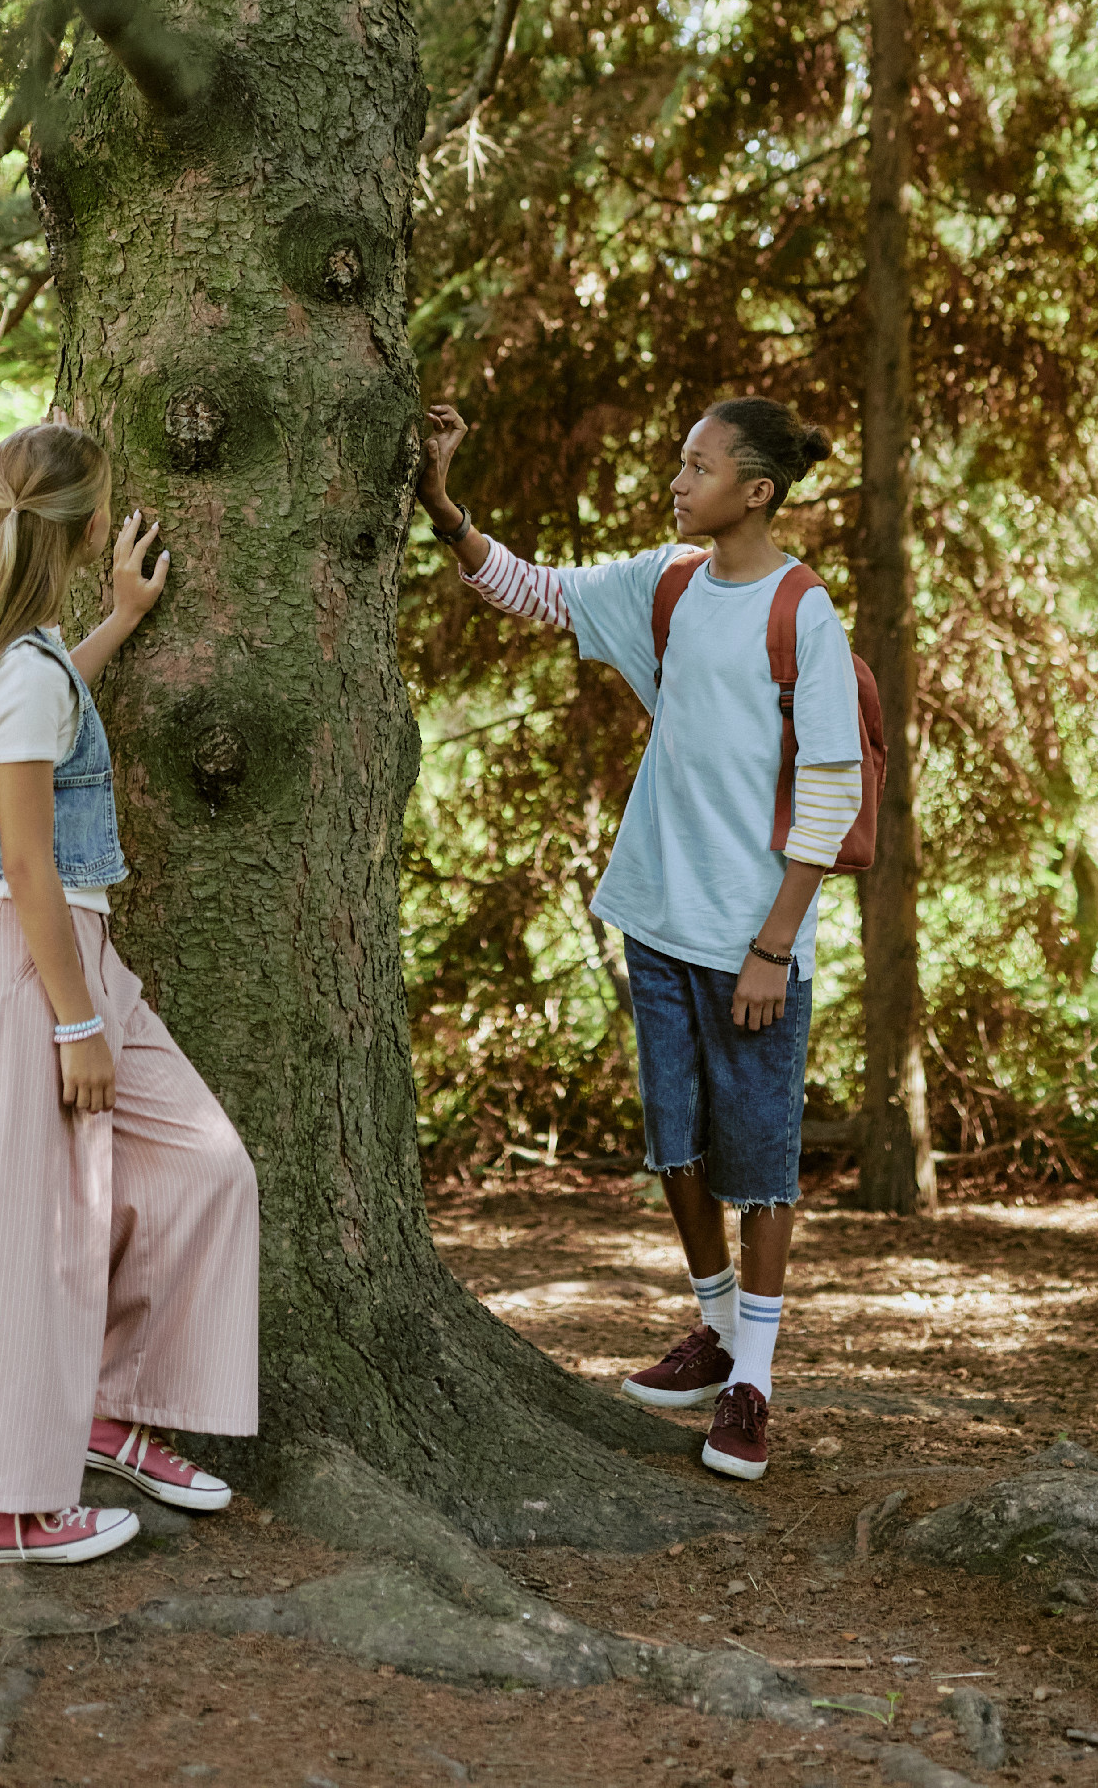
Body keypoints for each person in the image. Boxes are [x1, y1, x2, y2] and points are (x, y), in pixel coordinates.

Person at [415, 394, 863, 1483]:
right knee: (678, 1146)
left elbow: (832, 786)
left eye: (699, 467)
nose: (678, 480)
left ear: (755, 491)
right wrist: (440, 504)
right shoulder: (664, 581)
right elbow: (535, 591)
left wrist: (772, 945)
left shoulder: (801, 611)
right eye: (679, 462)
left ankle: (751, 1381)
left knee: (757, 1164)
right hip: (654, 918)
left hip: (751, 936)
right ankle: (713, 1333)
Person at [0, 421, 258, 1571]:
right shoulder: (9, 663)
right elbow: (23, 862)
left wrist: (117, 621)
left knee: (203, 1167)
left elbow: (47, 736)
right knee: (24, 1239)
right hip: (26, 956)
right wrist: (74, 1020)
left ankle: (104, 1416)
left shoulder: (19, 650)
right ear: (87, 519)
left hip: (60, 950)